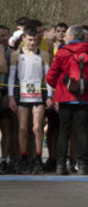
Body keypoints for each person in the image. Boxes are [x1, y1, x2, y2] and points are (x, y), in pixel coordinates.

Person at [46, 25, 88, 175]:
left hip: (65, 98)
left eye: (66, 35)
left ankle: (60, 165)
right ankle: (83, 165)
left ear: (72, 37)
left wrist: (60, 87)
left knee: (63, 130)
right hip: (84, 98)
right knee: (82, 130)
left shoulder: (62, 52)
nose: (64, 37)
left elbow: (50, 76)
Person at [7, 21, 51, 173]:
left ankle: (37, 159)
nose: (32, 43)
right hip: (22, 95)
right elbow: (12, 78)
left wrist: (50, 95)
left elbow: (48, 77)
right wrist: (11, 96)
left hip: (38, 95)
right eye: (30, 39)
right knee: (22, 128)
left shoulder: (44, 54)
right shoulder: (15, 55)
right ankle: (23, 158)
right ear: (24, 38)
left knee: (37, 128)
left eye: (35, 40)